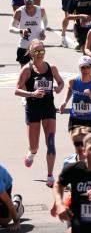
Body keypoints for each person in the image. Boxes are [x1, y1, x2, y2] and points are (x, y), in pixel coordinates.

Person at [15, 40, 64, 187]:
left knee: (50, 143)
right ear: (30, 53)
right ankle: (32, 153)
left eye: (42, 51)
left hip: (48, 108)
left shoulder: (51, 68)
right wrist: (32, 94)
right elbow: (17, 90)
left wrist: (59, 88)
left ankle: (50, 175)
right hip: (33, 109)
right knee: (34, 145)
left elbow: (61, 83)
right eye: (36, 51)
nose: (39, 54)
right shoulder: (27, 69)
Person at [60, 55, 91, 133]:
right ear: (79, 68)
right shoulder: (72, 81)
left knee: (89, 145)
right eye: (83, 67)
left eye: (88, 67)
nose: (86, 70)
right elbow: (69, 89)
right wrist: (65, 102)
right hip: (75, 120)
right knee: (79, 144)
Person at [10, 0, 48, 67]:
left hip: (37, 46)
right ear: (23, 0)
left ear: (34, 0)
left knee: (38, 68)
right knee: (24, 70)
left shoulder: (41, 10)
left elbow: (45, 21)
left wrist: (43, 31)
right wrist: (21, 31)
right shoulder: (19, 12)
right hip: (24, 46)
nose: (28, 1)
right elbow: (11, 28)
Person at [0, 164, 24, 232]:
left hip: (5, 186)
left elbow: (7, 201)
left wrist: (16, 222)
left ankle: (16, 205)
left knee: (3, 222)